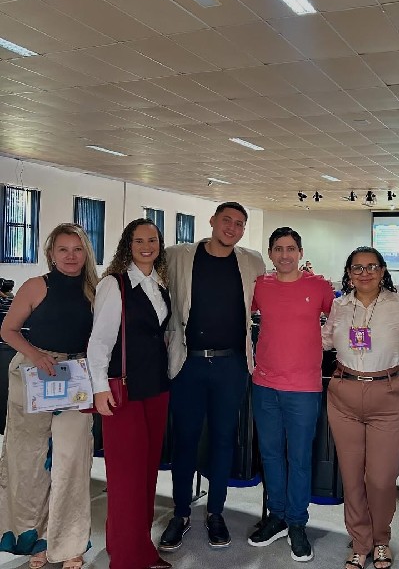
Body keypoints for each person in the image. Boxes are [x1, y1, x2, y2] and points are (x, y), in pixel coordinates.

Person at [159, 202, 265, 551]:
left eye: (239, 223)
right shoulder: (178, 256)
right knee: (185, 440)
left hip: (230, 365)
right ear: (212, 221)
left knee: (223, 440)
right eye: (226, 220)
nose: (232, 228)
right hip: (188, 364)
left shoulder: (252, 262)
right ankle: (180, 513)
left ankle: (216, 512)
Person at [0, 223, 98, 569]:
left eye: (77, 249)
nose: (71, 256)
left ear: (86, 253)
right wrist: (37, 355)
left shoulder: (96, 290)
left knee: (72, 463)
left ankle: (69, 543)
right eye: (63, 250)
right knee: (30, 462)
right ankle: (37, 542)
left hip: (75, 380)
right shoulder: (35, 286)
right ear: (51, 254)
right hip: (34, 375)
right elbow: (8, 330)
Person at [322, 246, 399, 569]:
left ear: (382, 271)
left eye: (371, 267)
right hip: (344, 393)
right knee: (351, 476)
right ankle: (360, 542)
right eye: (357, 268)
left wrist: (393, 369)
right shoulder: (339, 305)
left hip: (387, 396)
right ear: (349, 274)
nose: (364, 273)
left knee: (380, 478)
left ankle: (381, 538)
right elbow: (325, 341)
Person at [87, 218, 171, 569]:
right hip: (123, 391)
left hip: (156, 389)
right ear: (128, 245)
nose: (146, 246)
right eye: (139, 241)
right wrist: (99, 388)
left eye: (152, 240)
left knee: (147, 475)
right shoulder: (114, 284)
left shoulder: (160, 284)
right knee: (126, 479)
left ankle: (140, 548)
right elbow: (99, 341)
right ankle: (125, 558)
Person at [247, 227, 333, 562]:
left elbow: (343, 320)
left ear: (300, 252)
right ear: (270, 253)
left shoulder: (319, 286)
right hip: (265, 385)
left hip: (304, 388)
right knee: (270, 455)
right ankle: (278, 516)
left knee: (299, 458)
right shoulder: (261, 285)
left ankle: (297, 521)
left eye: (291, 249)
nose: (285, 255)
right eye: (279, 249)